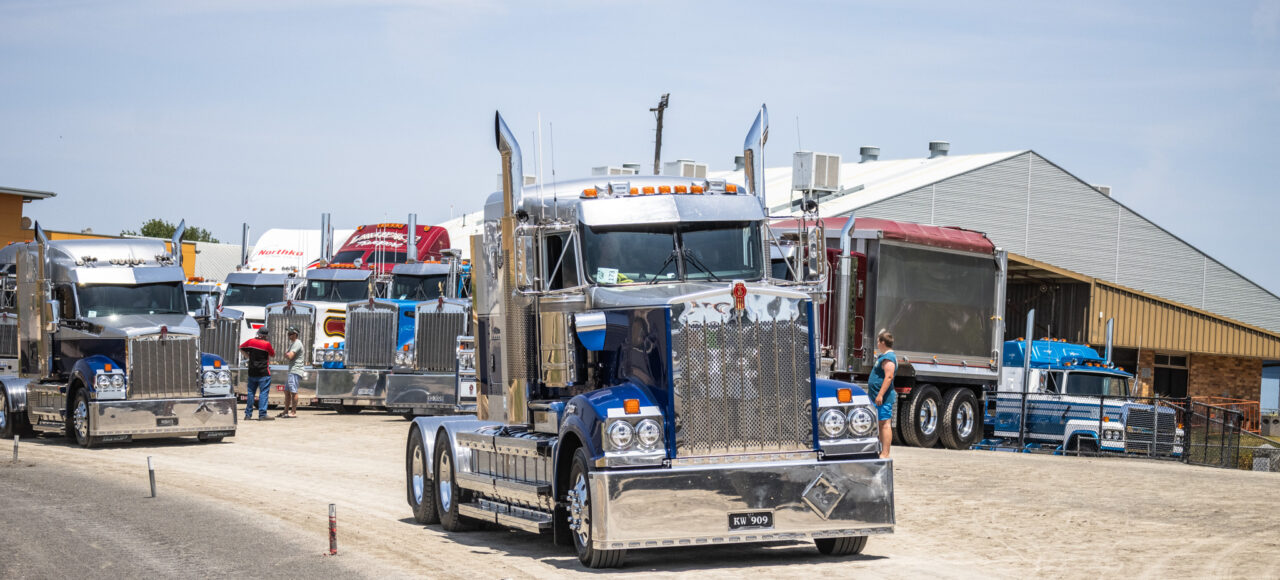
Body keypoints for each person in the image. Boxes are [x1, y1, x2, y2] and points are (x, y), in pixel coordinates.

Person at [870, 330, 897, 459]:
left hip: (883, 398)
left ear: (882, 342)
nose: (877, 344)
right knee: (880, 424)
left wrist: (880, 394)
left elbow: (889, 377)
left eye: (878, 341)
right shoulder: (884, 356)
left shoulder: (889, 358)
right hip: (877, 397)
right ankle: (881, 451)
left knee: (885, 424)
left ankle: (885, 453)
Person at [240, 327, 276, 421]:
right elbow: (272, 354)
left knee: (251, 393)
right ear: (266, 336)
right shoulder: (267, 344)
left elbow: (241, 348)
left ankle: (248, 415)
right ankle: (262, 415)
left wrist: (249, 356)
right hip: (263, 373)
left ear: (258, 333)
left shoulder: (251, 341)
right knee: (263, 393)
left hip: (252, 372)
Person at [278, 327, 304, 418]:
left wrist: (287, 354)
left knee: (293, 391)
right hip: (291, 370)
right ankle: (286, 411)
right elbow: (286, 354)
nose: (288, 335)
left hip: (295, 370)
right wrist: (287, 354)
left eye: (290, 334)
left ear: (295, 334)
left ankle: (293, 412)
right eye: (288, 333)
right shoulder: (293, 344)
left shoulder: (297, 343)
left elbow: (289, 356)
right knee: (286, 391)